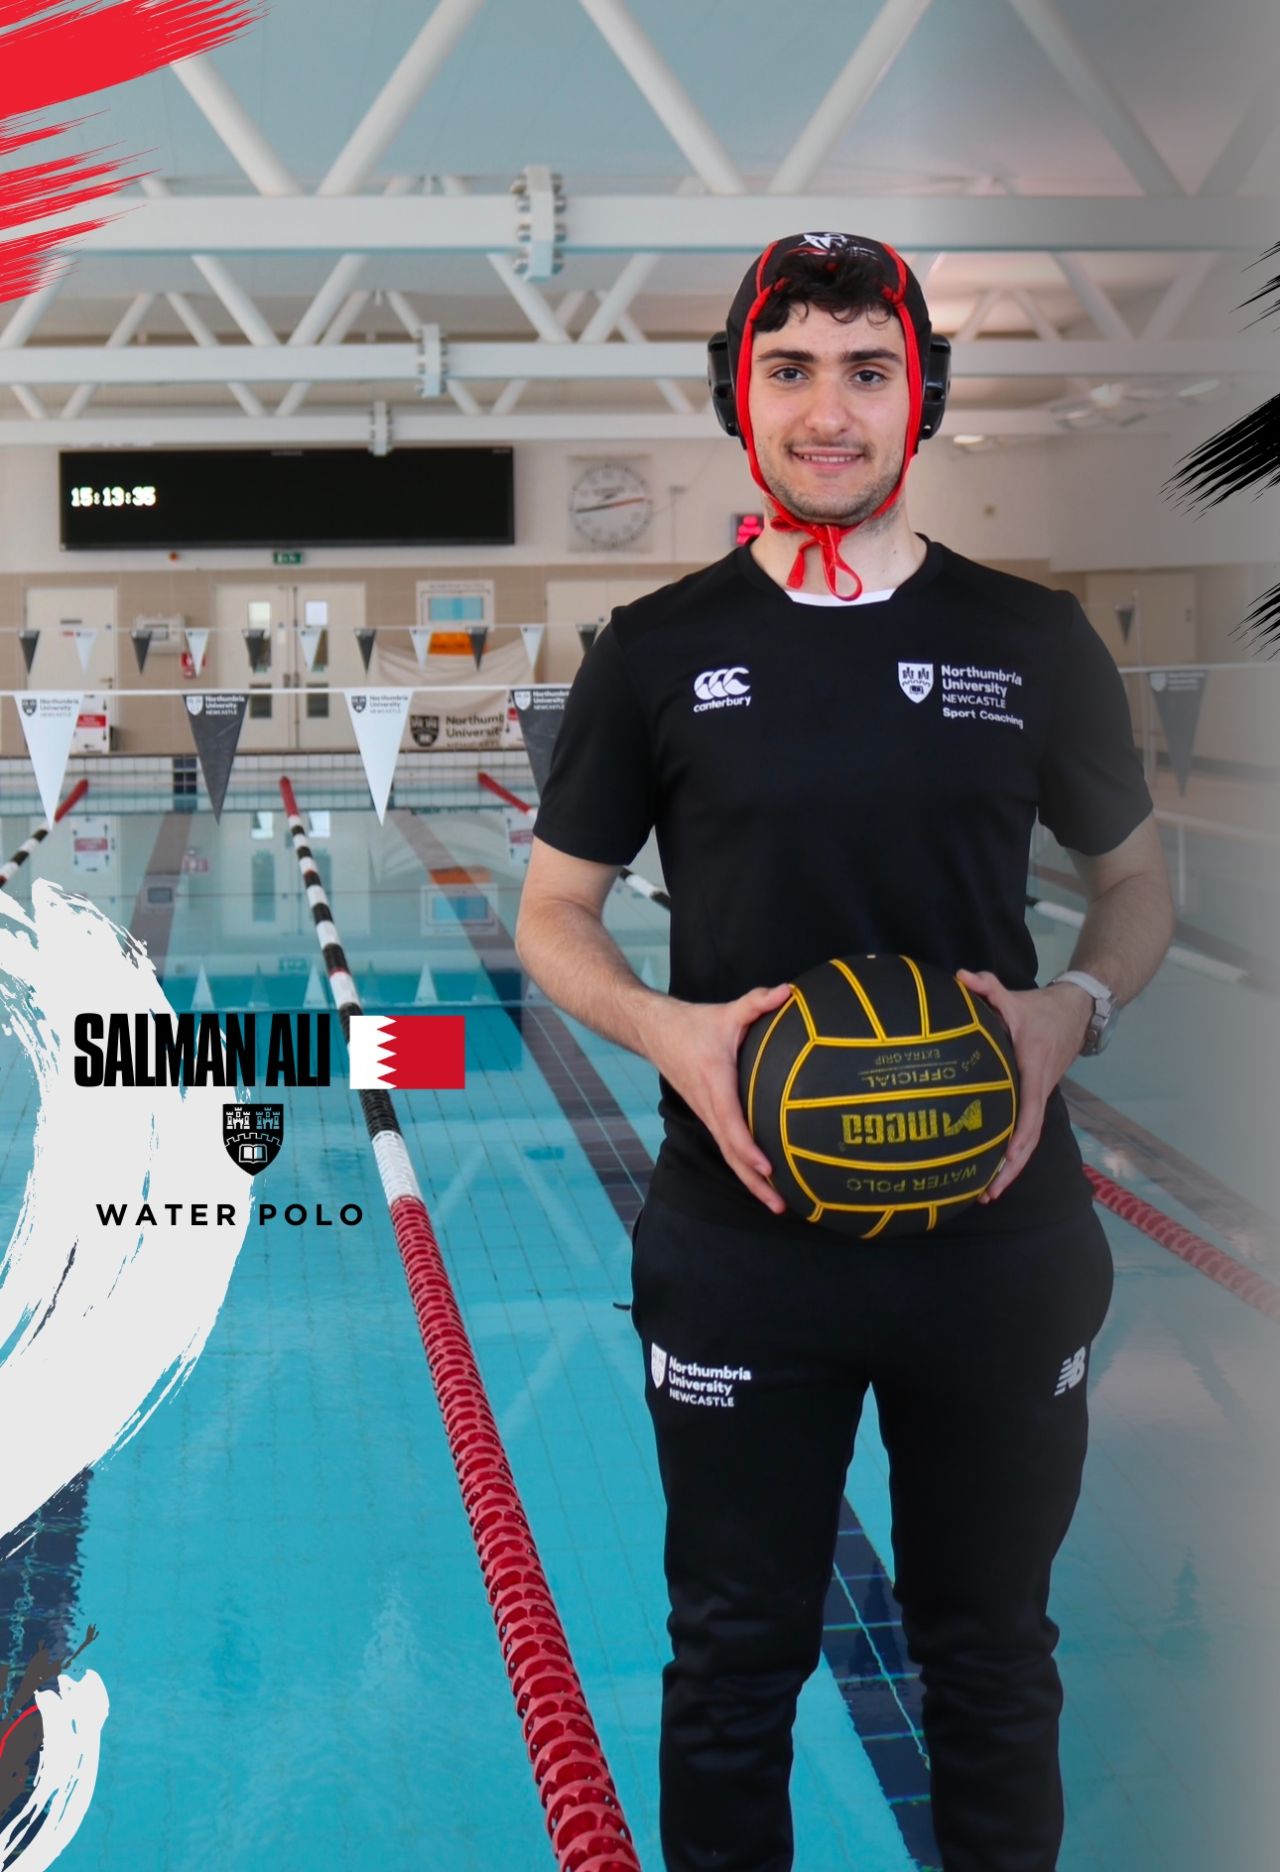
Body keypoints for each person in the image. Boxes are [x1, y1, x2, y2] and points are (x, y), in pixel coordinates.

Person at [514, 232, 1175, 1872]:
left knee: (995, 1663)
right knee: (735, 1670)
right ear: (740, 396)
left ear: (920, 395)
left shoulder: (1035, 640)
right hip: (743, 1248)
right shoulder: (654, 650)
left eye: (867, 368)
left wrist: (1066, 1013)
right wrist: (669, 1032)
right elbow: (550, 916)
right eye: (793, 368)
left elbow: (1140, 885)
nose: (830, 408)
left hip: (1002, 1246)